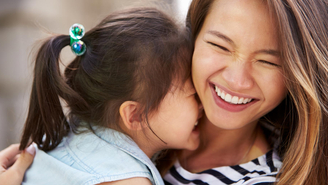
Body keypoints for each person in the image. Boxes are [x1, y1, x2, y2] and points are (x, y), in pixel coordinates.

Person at [18, 7, 202, 185]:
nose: (202, 103)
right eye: (194, 94)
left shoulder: (58, 143)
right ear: (135, 115)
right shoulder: (127, 181)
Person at [160, 0, 328, 184]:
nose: (237, 81)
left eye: (268, 62)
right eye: (220, 46)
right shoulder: (139, 103)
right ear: (193, 36)